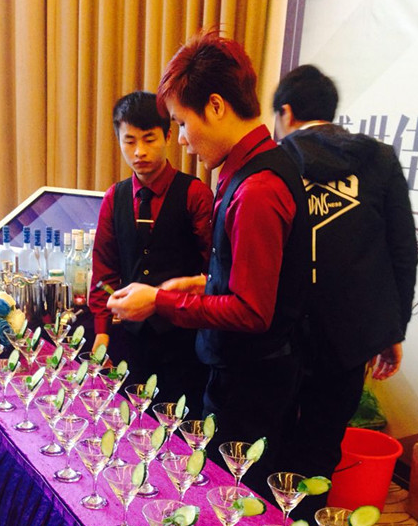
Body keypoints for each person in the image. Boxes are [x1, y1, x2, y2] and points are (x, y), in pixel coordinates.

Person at [107, 31, 311, 494]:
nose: (181, 140)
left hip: (251, 384)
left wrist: (159, 301)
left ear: (216, 106)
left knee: (233, 498)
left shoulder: (257, 190)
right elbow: (257, 277)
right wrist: (202, 283)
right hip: (244, 373)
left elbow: (252, 310)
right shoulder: (251, 168)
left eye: (181, 123)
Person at [272, 64, 418, 526]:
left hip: (280, 331)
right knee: (322, 444)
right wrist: (391, 330)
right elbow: (402, 252)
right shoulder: (380, 159)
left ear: (286, 112)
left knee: (274, 439)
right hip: (350, 335)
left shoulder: (275, 159)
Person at [90, 90, 212, 413]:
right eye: (129, 141)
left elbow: (212, 269)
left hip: (185, 342)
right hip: (131, 340)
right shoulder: (114, 198)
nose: (139, 152)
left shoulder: (195, 194)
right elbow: (104, 270)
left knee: (179, 426)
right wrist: (102, 332)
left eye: (149, 139)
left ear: (168, 136)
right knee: (131, 422)